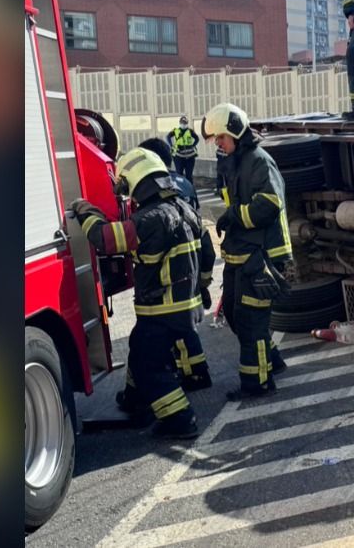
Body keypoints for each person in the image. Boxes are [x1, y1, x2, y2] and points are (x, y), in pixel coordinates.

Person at [68, 147, 214, 439]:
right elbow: (208, 253)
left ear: (136, 182)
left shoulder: (149, 219)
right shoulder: (185, 208)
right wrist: (204, 286)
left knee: (150, 367)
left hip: (161, 311)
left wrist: (86, 211)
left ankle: (180, 420)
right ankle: (136, 399)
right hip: (185, 308)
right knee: (140, 349)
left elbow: (105, 239)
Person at [201, 103, 292, 400]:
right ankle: (272, 361)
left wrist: (234, 215)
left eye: (222, 138)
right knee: (234, 313)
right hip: (241, 255)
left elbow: (268, 204)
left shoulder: (258, 161)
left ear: (237, 132)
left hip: (263, 255)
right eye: (216, 140)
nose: (219, 144)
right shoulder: (235, 162)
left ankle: (258, 383)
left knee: (252, 321)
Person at [138, 137, 215, 392]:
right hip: (196, 251)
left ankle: (191, 374)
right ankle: (197, 370)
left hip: (175, 264)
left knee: (176, 323)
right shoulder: (184, 183)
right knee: (186, 325)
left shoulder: (155, 189)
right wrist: (204, 282)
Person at [165, 115, 199, 180]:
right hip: (178, 156)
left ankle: (189, 188)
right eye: (182, 123)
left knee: (189, 176)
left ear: (187, 123)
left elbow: (197, 138)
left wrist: (193, 145)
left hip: (190, 156)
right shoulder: (176, 130)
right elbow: (168, 137)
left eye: (185, 123)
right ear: (180, 123)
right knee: (179, 175)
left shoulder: (190, 131)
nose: (183, 124)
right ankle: (180, 189)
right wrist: (171, 145)